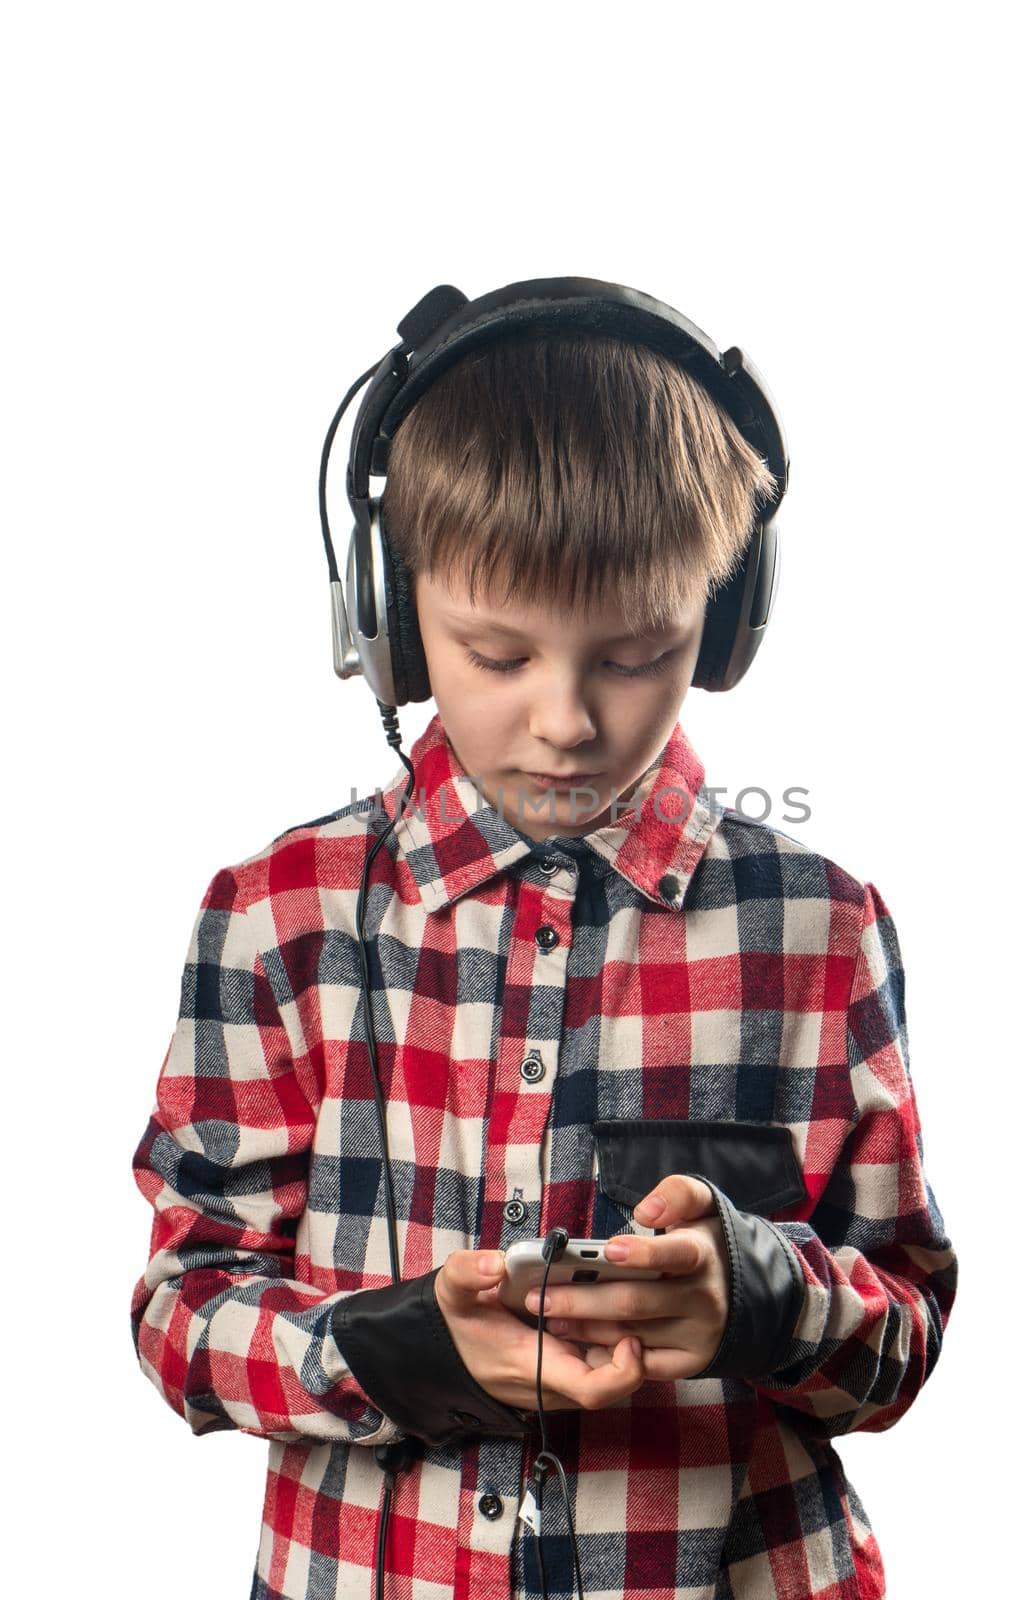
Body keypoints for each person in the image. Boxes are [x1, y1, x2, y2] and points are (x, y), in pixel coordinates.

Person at [130, 298, 958, 1600]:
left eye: (636, 655)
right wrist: (410, 1349)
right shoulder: (275, 915)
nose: (563, 721)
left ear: (724, 624)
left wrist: (754, 1298)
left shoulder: (818, 927)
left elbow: (898, 1330)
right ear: (388, 617)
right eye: (495, 652)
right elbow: (182, 1316)